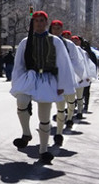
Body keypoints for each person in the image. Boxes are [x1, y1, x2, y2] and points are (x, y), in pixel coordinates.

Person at [9, 11, 75, 165]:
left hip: (47, 79)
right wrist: (17, 82)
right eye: (36, 21)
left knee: (44, 115)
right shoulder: (26, 42)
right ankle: (26, 134)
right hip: (30, 77)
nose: (38, 23)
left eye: (41, 21)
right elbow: (19, 64)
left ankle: (43, 150)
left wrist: (62, 85)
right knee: (21, 101)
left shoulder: (56, 42)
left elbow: (63, 64)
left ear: (46, 23)